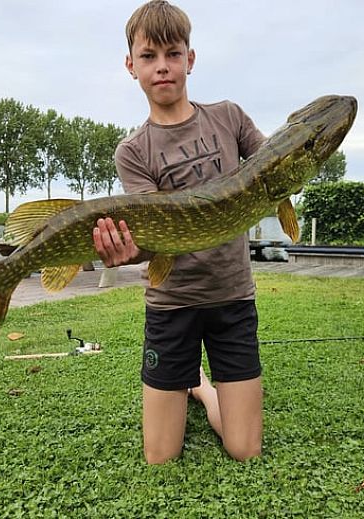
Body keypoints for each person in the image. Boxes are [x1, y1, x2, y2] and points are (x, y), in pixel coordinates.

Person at [92, 0, 265, 465]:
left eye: (172, 54)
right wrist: (123, 254)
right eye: (149, 56)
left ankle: (204, 390)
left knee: (243, 449)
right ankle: (194, 380)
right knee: (160, 457)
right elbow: (151, 242)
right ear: (131, 66)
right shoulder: (132, 151)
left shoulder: (228, 117)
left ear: (190, 58)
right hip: (172, 305)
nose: (162, 67)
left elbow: (273, 165)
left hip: (232, 299)